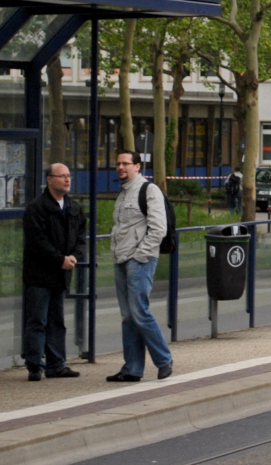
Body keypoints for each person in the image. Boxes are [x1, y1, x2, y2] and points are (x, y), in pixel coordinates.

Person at [108, 151, 173, 382]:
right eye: (118, 163)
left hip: (139, 260)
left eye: (125, 163)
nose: (120, 167)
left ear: (137, 166)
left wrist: (141, 255)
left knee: (139, 312)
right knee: (128, 316)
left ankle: (164, 359)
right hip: (121, 259)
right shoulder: (123, 193)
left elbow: (158, 228)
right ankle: (132, 369)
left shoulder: (149, 190)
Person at [22, 162, 86, 381]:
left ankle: (56, 364)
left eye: (69, 175)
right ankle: (34, 365)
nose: (67, 180)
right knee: (37, 320)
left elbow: (81, 238)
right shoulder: (36, 208)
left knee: (57, 320)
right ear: (49, 180)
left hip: (62, 273)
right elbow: (37, 242)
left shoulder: (74, 208)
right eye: (62, 176)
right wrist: (60, 260)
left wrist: (75, 257)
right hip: (40, 274)